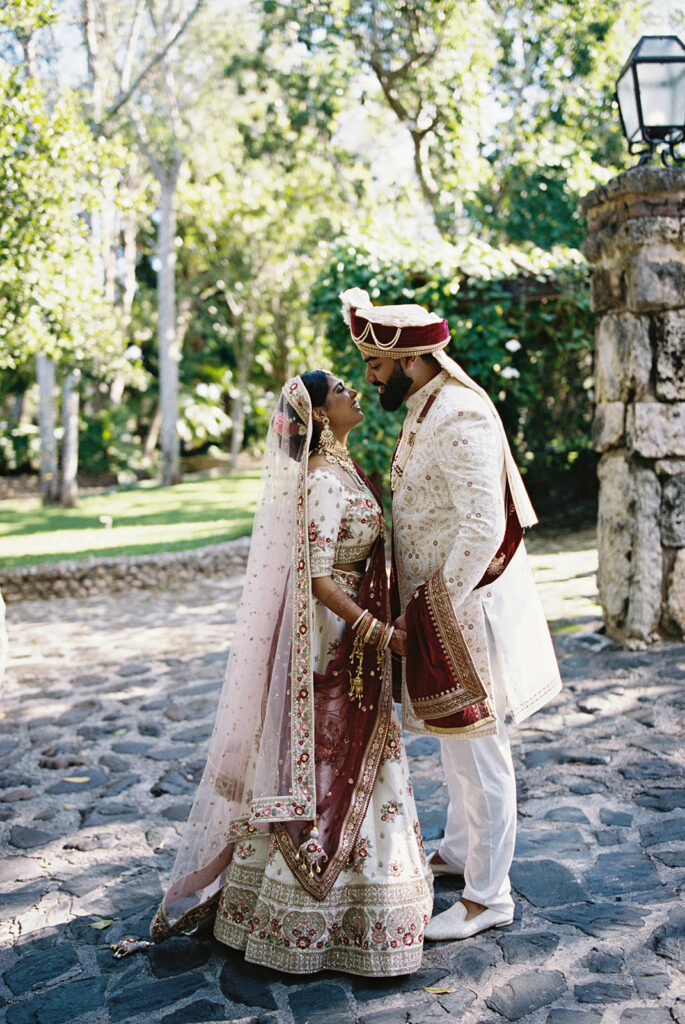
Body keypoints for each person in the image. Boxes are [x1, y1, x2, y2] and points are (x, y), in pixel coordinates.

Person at [149, 370, 433, 976]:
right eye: (340, 389)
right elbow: (320, 579)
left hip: (349, 633)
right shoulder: (324, 479)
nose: (354, 391)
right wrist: (380, 633)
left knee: (359, 757)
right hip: (331, 642)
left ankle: (364, 902)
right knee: (328, 759)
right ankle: (311, 913)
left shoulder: (344, 470)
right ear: (321, 416)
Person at [340, 288, 562, 941]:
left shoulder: (459, 414)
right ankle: (462, 852)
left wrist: (432, 609)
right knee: (455, 746)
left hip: (462, 611)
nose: (368, 378)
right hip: (438, 611)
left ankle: (488, 897)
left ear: (410, 360)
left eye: (376, 365)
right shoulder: (425, 405)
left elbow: (483, 526)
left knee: (481, 751)